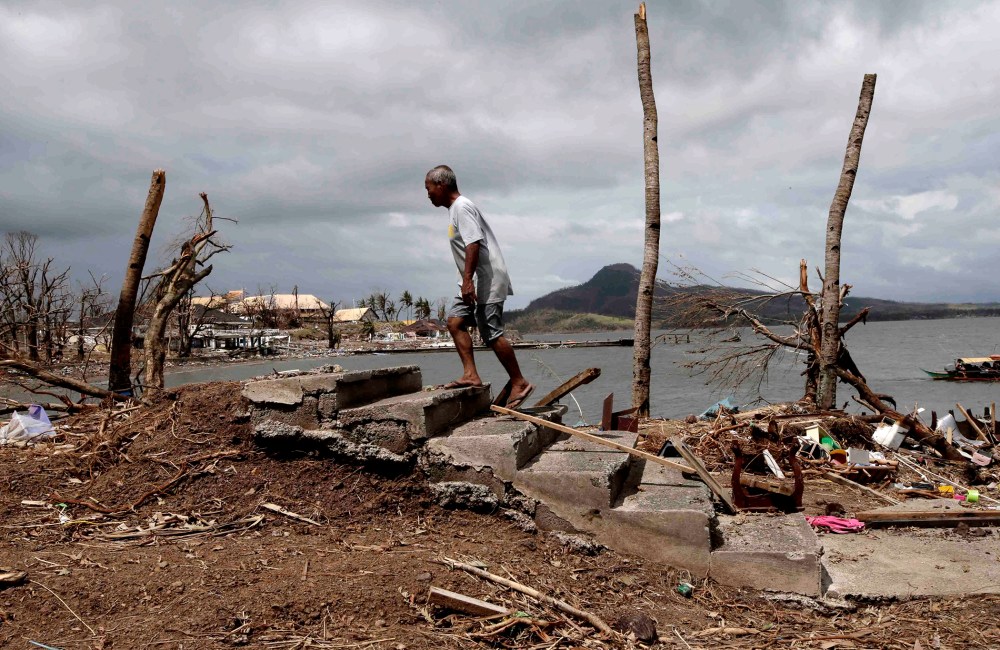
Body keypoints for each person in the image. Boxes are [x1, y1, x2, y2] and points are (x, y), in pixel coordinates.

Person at [424, 165, 535, 409]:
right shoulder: (455, 210)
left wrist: (467, 281)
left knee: (490, 331)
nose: (428, 194)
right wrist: (464, 281)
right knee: (455, 322)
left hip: (487, 278)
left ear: (441, 185)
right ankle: (471, 375)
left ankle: (519, 382)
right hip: (470, 279)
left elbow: (473, 243)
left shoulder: (462, 207)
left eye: (429, 188)